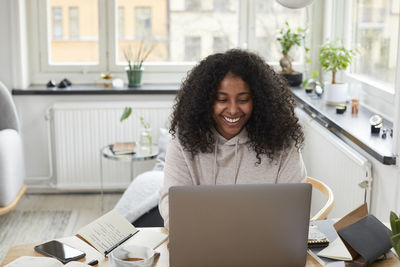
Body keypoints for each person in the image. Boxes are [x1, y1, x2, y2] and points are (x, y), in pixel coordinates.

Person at [159, 49, 306, 229]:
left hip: (263, 243)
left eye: (243, 100)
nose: (233, 110)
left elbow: (292, 209)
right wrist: (186, 231)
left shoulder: (282, 142)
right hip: (203, 241)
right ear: (206, 101)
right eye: (222, 99)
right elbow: (171, 204)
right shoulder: (185, 139)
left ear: (258, 100)